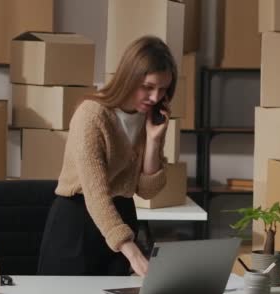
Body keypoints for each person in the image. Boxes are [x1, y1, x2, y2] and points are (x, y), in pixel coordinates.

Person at [37, 35, 177, 277]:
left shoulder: (151, 118)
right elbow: (96, 194)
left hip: (121, 217)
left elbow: (147, 190)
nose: (155, 97)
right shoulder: (92, 115)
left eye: (162, 89)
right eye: (148, 87)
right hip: (78, 222)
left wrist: (153, 140)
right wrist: (133, 253)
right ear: (129, 78)